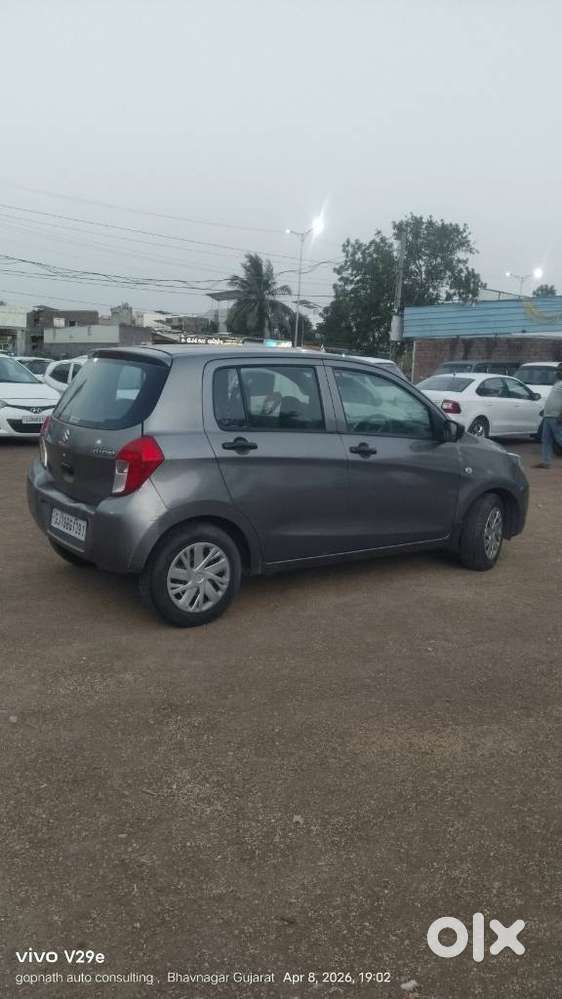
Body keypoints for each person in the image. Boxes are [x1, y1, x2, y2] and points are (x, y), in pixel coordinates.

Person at [535, 363, 562, 468]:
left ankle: (546, 462)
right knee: (546, 440)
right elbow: (554, 399)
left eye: (560, 371)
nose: (557, 373)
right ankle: (546, 462)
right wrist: (544, 411)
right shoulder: (557, 383)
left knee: (560, 438)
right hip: (548, 415)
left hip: (556, 416)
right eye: (558, 371)